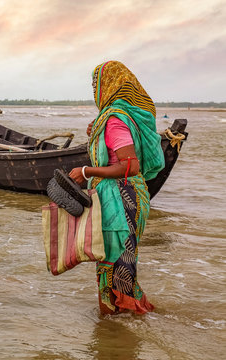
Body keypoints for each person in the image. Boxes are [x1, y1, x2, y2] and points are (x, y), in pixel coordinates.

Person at [69, 61, 165, 315]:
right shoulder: (124, 116)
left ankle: (118, 323)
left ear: (109, 85)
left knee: (114, 262)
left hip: (121, 199)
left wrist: (86, 172)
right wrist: (96, 132)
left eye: (95, 83)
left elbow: (130, 165)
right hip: (130, 196)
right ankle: (124, 328)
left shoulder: (114, 120)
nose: (94, 90)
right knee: (121, 261)